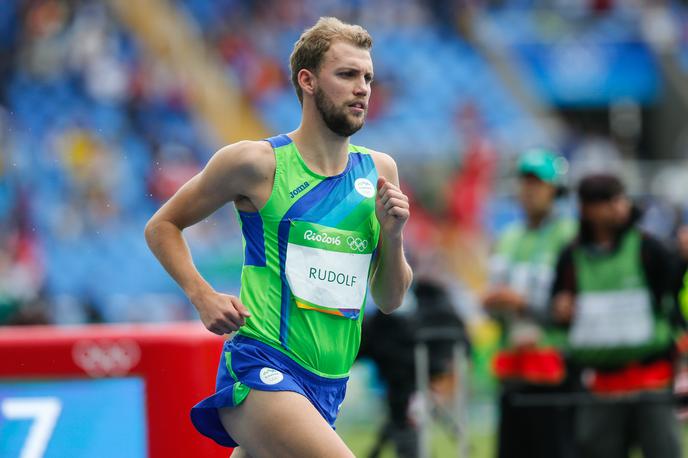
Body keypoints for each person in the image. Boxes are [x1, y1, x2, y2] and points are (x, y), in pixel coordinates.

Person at [144, 17, 413, 458]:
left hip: (328, 387)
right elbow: (162, 226)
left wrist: (394, 235)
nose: (362, 88)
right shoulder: (256, 163)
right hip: (263, 367)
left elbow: (389, 298)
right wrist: (202, 295)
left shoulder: (380, 171)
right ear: (307, 81)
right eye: (347, 75)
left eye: (367, 77)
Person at [552, 174, 683, 458]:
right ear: (587, 209)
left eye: (620, 198)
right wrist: (561, 309)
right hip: (600, 385)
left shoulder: (650, 248)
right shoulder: (571, 256)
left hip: (651, 381)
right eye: (608, 201)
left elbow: (674, 298)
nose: (618, 207)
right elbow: (558, 308)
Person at [482, 148, 577, 458]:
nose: (529, 189)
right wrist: (492, 303)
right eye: (525, 181)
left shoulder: (570, 236)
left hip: (557, 368)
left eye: (538, 182)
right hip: (514, 368)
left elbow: (575, 307)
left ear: (556, 189)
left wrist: (521, 303)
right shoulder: (507, 236)